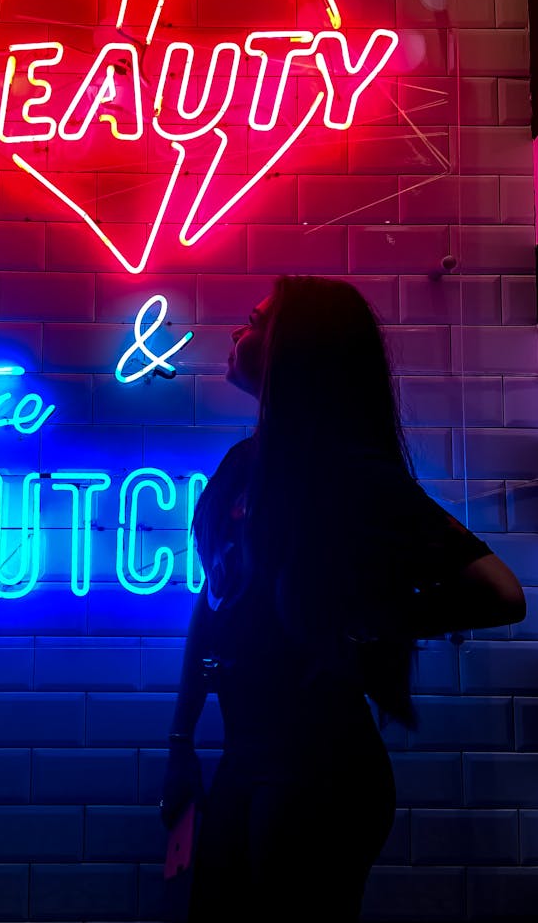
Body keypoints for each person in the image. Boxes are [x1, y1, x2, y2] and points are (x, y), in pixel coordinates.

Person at [159, 274, 525, 922]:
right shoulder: (244, 466)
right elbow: (212, 602)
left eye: (254, 320)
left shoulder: (352, 476)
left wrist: (376, 619)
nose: (235, 332)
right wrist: (182, 740)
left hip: (317, 766)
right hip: (246, 754)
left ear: (295, 351)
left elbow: (499, 591)